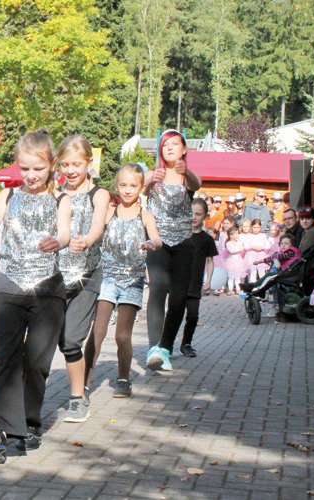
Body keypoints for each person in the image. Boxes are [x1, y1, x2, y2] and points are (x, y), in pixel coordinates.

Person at [0, 130, 72, 464]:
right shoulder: (7, 196)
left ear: (51, 166)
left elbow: (66, 231)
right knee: (8, 360)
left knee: (37, 363)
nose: (30, 176)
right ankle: (0, 433)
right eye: (24, 168)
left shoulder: (62, 200)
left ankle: (29, 424)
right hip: (10, 287)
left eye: (37, 169)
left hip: (47, 291)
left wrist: (59, 241)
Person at [84, 164, 161, 397]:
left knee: (122, 335)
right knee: (97, 331)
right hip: (107, 278)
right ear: (117, 186)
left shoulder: (145, 216)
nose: (128, 190)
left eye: (133, 185)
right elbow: (95, 230)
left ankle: (123, 378)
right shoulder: (110, 213)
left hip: (132, 281)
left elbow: (158, 240)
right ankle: (84, 383)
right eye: (123, 185)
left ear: (141, 187)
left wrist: (152, 244)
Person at [53, 135, 110, 422]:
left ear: (89, 162)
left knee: (70, 339)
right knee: (41, 338)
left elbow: (98, 223)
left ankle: (78, 396)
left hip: (86, 277)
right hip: (54, 277)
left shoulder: (98, 194)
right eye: (65, 165)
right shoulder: (54, 194)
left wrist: (86, 240)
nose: (71, 170)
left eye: (77, 164)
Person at [144, 130, 201, 372]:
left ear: (184, 149)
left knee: (179, 296)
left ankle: (165, 348)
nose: (169, 148)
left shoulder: (187, 177)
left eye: (175, 144)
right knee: (157, 288)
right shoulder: (153, 175)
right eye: (165, 144)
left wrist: (185, 171)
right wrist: (149, 181)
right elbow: (142, 193)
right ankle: (153, 348)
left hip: (184, 243)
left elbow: (196, 184)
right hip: (158, 242)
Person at [173, 198, 218, 358]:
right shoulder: (180, 235)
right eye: (191, 213)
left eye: (198, 214)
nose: (194, 217)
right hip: (178, 283)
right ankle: (167, 344)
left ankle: (186, 344)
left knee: (192, 315)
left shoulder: (207, 239)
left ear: (205, 216)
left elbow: (210, 260)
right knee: (174, 314)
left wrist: (208, 280)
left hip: (195, 284)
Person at [224, 227, 246, 294]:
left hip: (238, 261)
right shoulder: (228, 243)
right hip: (231, 261)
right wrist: (239, 250)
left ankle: (238, 289)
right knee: (231, 276)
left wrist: (241, 249)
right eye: (236, 234)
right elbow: (231, 251)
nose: (237, 235)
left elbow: (242, 248)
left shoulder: (239, 242)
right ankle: (230, 289)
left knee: (237, 276)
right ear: (231, 235)